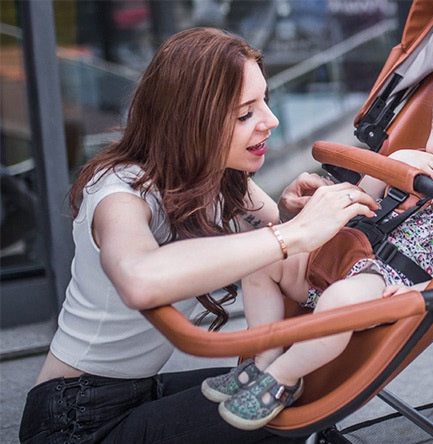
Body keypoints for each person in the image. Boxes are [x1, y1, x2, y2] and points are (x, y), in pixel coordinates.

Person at [18, 27, 378, 444]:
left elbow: (285, 248)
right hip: (73, 420)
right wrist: (293, 232)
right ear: (192, 120)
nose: (271, 120)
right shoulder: (118, 190)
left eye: (265, 100)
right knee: (283, 413)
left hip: (136, 393)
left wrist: (294, 211)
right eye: (245, 113)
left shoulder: (225, 181)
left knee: (302, 388)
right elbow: (139, 279)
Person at [201, 66, 433, 431]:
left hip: (385, 281)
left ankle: (281, 381)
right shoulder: (417, 164)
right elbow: (364, 201)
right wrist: (395, 164)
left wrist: (417, 294)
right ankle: (263, 361)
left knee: (340, 300)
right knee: (261, 259)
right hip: (348, 254)